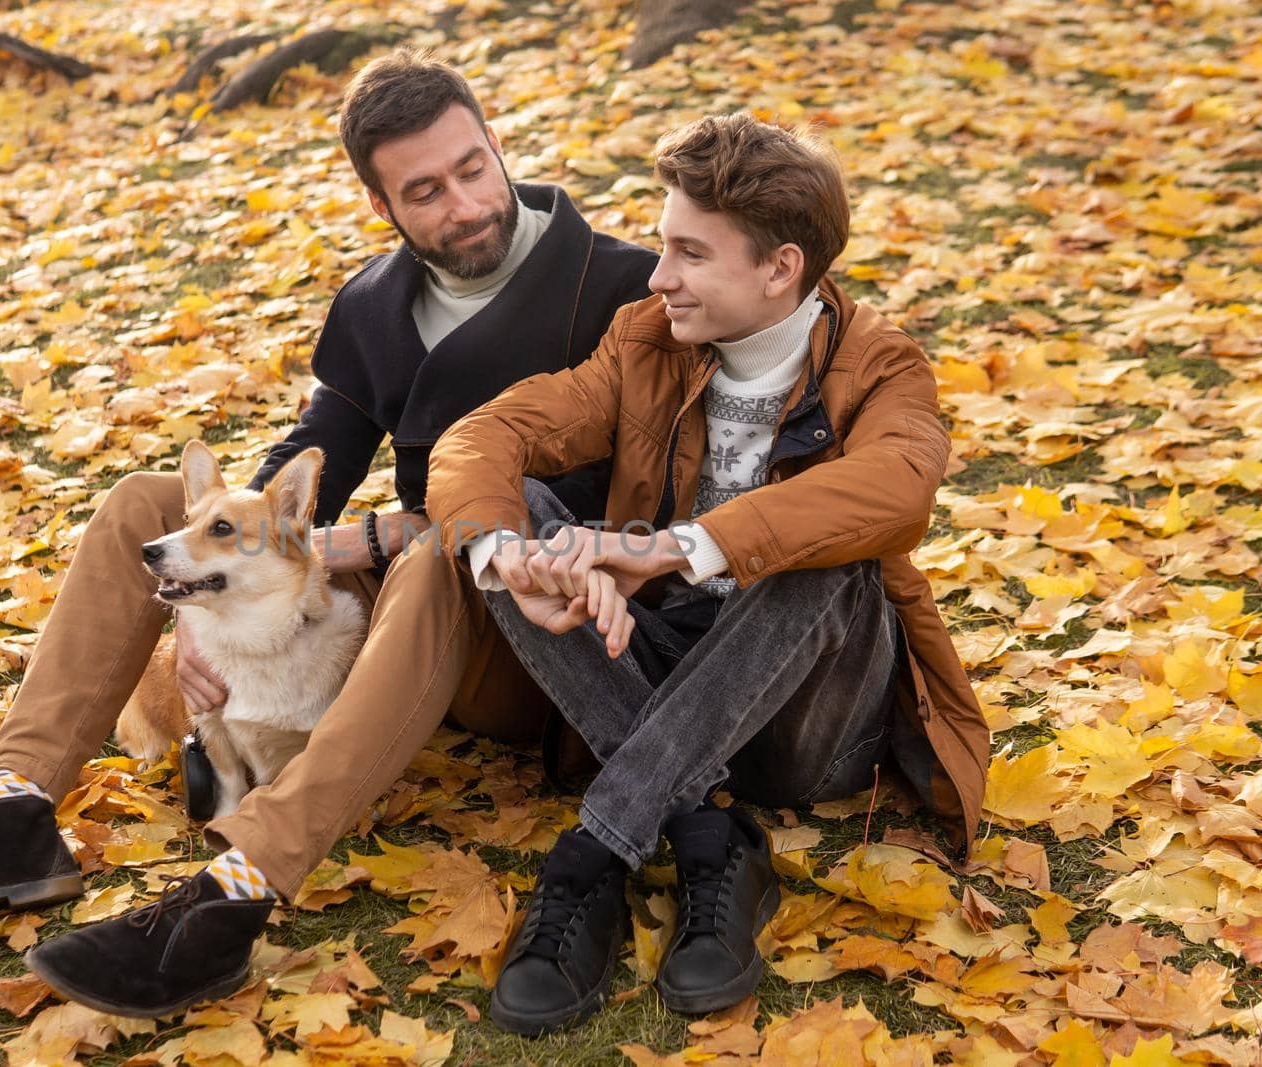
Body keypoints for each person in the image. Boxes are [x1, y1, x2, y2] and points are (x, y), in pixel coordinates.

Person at [0, 50, 657, 1017]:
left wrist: (383, 537)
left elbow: (609, 515)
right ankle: (13, 808)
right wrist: (198, 587)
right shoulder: (375, 303)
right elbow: (311, 456)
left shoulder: (622, 286)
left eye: (473, 169)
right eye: (424, 191)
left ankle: (240, 886)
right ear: (383, 207)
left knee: (433, 556)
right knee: (143, 501)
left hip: (535, 628)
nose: (464, 205)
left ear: (498, 145)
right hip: (405, 618)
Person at [424, 112, 991, 1034]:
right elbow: (485, 436)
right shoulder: (645, 339)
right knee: (517, 519)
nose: (658, 276)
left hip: (808, 713)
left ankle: (597, 851)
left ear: (781, 269)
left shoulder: (882, 365)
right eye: (661, 246)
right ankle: (707, 828)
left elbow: (897, 489)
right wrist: (512, 557)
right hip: (658, 670)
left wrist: (669, 547)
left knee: (832, 549)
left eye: (690, 254)